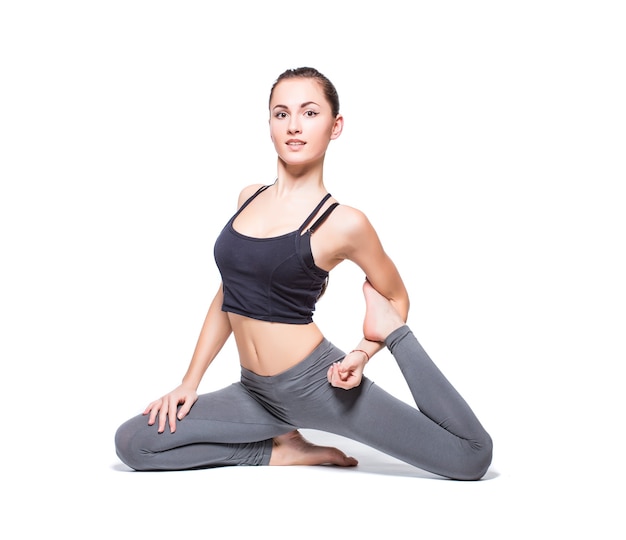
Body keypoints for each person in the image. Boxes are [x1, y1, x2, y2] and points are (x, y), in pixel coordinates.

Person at [114, 67, 493, 480]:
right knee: (135, 444)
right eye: (281, 114)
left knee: (470, 456)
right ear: (270, 124)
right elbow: (228, 295)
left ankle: (382, 354)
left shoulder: (344, 222)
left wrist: (365, 350)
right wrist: (189, 382)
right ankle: (283, 451)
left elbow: (396, 297)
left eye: (310, 113)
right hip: (254, 393)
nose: (294, 126)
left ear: (335, 126)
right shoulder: (248, 198)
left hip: (320, 387)